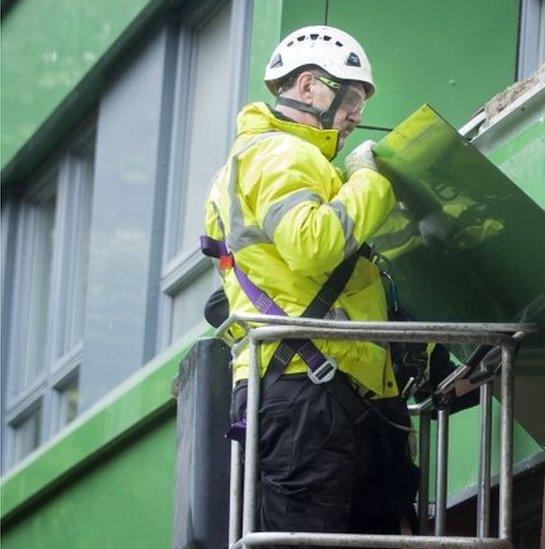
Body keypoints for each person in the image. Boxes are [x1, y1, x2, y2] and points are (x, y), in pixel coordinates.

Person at [200, 25, 419, 539]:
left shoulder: (276, 160)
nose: (356, 116)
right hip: (308, 388)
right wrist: (370, 182)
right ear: (308, 87)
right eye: (350, 99)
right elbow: (313, 242)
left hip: (313, 386)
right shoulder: (280, 155)